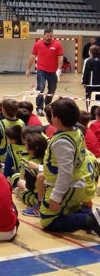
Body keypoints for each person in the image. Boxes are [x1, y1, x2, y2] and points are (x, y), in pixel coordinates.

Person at [37, 98, 100, 236]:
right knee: (67, 210)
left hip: (66, 186)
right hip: (73, 185)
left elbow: (65, 173)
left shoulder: (62, 142)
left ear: (58, 120)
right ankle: (89, 214)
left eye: (52, 115)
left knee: (48, 221)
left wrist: (56, 197)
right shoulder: (76, 131)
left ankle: (88, 219)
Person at [25, 28, 63, 116]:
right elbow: (32, 56)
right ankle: (39, 108)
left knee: (52, 89)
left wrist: (59, 69)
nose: (49, 37)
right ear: (44, 35)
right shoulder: (38, 44)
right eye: (47, 35)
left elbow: (60, 57)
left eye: (51, 36)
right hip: (41, 70)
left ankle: (47, 103)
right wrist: (28, 69)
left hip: (53, 72)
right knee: (40, 88)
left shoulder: (57, 44)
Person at [82, 45, 100, 111]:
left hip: (90, 84)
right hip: (99, 85)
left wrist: (84, 82)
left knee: (89, 99)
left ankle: (91, 114)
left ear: (91, 52)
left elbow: (85, 72)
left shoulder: (88, 60)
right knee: (98, 99)